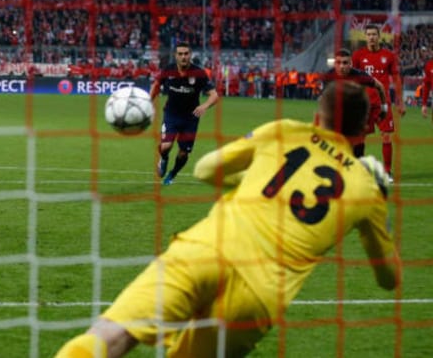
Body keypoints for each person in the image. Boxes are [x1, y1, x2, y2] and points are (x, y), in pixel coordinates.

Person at [54, 81, 399, 358]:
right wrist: (377, 209)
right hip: (258, 298)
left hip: (207, 249)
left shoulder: (285, 131)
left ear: (316, 116)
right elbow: (388, 278)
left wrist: (256, 182)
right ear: (361, 129)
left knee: (111, 335)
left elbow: (206, 169)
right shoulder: (365, 187)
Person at [150, 41, 219, 186]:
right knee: (166, 147)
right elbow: (156, 85)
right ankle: (163, 159)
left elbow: (214, 95)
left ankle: (172, 174)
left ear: (190, 55)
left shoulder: (199, 73)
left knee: (183, 153)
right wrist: (149, 102)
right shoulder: (168, 70)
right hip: (171, 114)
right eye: (180, 54)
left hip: (190, 118)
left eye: (186, 54)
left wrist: (205, 106)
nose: (183, 57)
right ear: (175, 56)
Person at [352, 24, 406, 180]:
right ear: (365, 36)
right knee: (360, 138)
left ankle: (387, 172)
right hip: (364, 103)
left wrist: (400, 102)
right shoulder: (358, 56)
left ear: (379, 36)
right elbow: (353, 79)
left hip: (383, 103)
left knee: (387, 137)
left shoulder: (388, 56)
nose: (371, 37)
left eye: (374, 34)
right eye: (368, 34)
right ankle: (358, 169)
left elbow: (396, 79)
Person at [320, 48, 387, 157]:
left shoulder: (359, 76)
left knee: (357, 153)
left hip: (356, 118)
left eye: (345, 63)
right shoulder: (328, 76)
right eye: (338, 63)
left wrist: (384, 108)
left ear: (351, 63)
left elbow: (380, 86)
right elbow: (324, 98)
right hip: (337, 116)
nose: (341, 66)